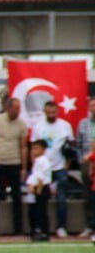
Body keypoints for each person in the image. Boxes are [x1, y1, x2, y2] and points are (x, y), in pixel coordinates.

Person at [0, 96, 28, 235]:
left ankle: (18, 229)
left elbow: (23, 146)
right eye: (15, 108)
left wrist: (23, 167)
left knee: (16, 196)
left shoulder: (21, 124)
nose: (17, 111)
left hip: (14, 162)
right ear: (8, 108)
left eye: (19, 108)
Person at [29, 101, 74, 237]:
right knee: (40, 198)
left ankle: (61, 226)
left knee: (61, 198)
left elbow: (70, 147)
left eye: (53, 112)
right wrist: (34, 167)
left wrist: (67, 166)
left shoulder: (65, 126)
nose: (51, 115)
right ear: (44, 112)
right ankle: (39, 227)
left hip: (59, 167)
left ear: (57, 111)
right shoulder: (38, 127)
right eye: (48, 112)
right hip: (43, 169)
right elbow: (33, 148)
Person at [24, 139, 53, 241]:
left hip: (42, 188)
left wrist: (39, 188)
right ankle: (38, 230)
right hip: (37, 188)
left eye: (36, 148)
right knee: (37, 211)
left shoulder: (43, 161)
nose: (33, 151)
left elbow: (41, 176)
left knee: (42, 211)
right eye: (32, 148)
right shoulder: (37, 160)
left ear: (43, 150)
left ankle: (44, 232)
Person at [75, 98, 95, 236]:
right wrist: (82, 160)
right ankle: (90, 225)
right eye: (92, 106)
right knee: (88, 195)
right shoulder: (83, 124)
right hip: (87, 162)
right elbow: (78, 145)